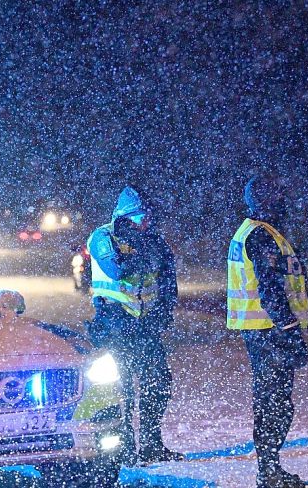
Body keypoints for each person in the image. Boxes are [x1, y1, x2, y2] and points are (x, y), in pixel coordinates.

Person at [87, 186, 184, 464]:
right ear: (126, 217)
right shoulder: (103, 237)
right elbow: (116, 269)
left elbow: (168, 280)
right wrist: (143, 251)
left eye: (148, 217)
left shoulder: (154, 240)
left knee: (158, 382)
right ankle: (125, 448)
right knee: (122, 388)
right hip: (114, 322)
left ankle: (152, 443)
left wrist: (164, 312)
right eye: (141, 217)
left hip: (146, 324)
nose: (146, 222)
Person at [227, 174, 308, 488]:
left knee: (272, 400)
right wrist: (289, 329)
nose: (283, 200)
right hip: (269, 330)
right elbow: (271, 288)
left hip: (263, 329)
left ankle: (270, 468)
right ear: (265, 200)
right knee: (274, 401)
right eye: (278, 195)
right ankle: (269, 471)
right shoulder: (261, 235)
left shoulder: (258, 232)